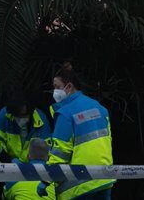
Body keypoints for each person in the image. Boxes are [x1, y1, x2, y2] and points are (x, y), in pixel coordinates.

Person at [39, 64, 115, 200]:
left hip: (79, 186)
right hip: (104, 179)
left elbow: (60, 153)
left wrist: (45, 181)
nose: (54, 91)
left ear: (68, 87)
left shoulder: (65, 113)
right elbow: (107, 141)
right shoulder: (100, 108)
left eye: (57, 87)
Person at [0, 90, 51, 162]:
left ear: (31, 112)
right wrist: (8, 162)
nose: (21, 118)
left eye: (24, 115)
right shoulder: (4, 115)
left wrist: (32, 167)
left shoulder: (41, 120)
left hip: (32, 167)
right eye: (18, 115)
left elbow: (44, 152)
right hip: (9, 165)